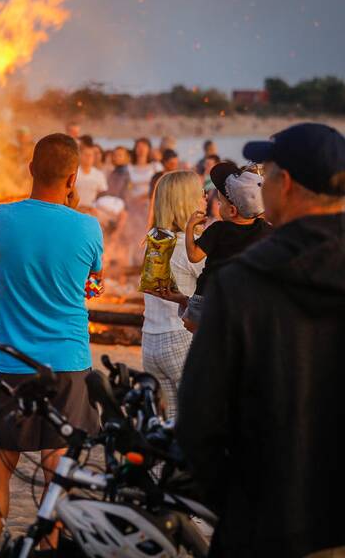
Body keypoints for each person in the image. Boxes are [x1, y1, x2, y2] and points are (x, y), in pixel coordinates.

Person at [178, 123, 345, 557]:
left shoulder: (242, 284)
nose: (262, 184)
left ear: (285, 185)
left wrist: (235, 506)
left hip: (265, 521)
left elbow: (199, 420)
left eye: (266, 175)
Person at [0, 133, 103, 550]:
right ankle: (49, 549)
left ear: (30, 169)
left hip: (12, 360)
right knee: (56, 469)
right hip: (67, 359)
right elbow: (91, 283)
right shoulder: (87, 226)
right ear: (73, 176)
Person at [139, 171, 205, 418]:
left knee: (170, 421)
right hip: (181, 339)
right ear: (186, 201)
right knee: (194, 418)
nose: (205, 197)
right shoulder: (193, 248)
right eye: (199, 193)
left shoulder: (153, 242)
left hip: (151, 340)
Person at [183, 161, 272, 327]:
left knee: (198, 331)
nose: (217, 206)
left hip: (208, 297)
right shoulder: (266, 231)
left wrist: (190, 227)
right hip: (245, 300)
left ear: (232, 211)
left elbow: (194, 256)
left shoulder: (218, 229)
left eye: (220, 202)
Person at [74, 141, 108, 209]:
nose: (88, 157)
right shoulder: (74, 172)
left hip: (92, 209)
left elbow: (102, 194)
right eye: (86, 155)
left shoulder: (99, 175)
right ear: (80, 155)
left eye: (91, 155)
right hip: (75, 209)